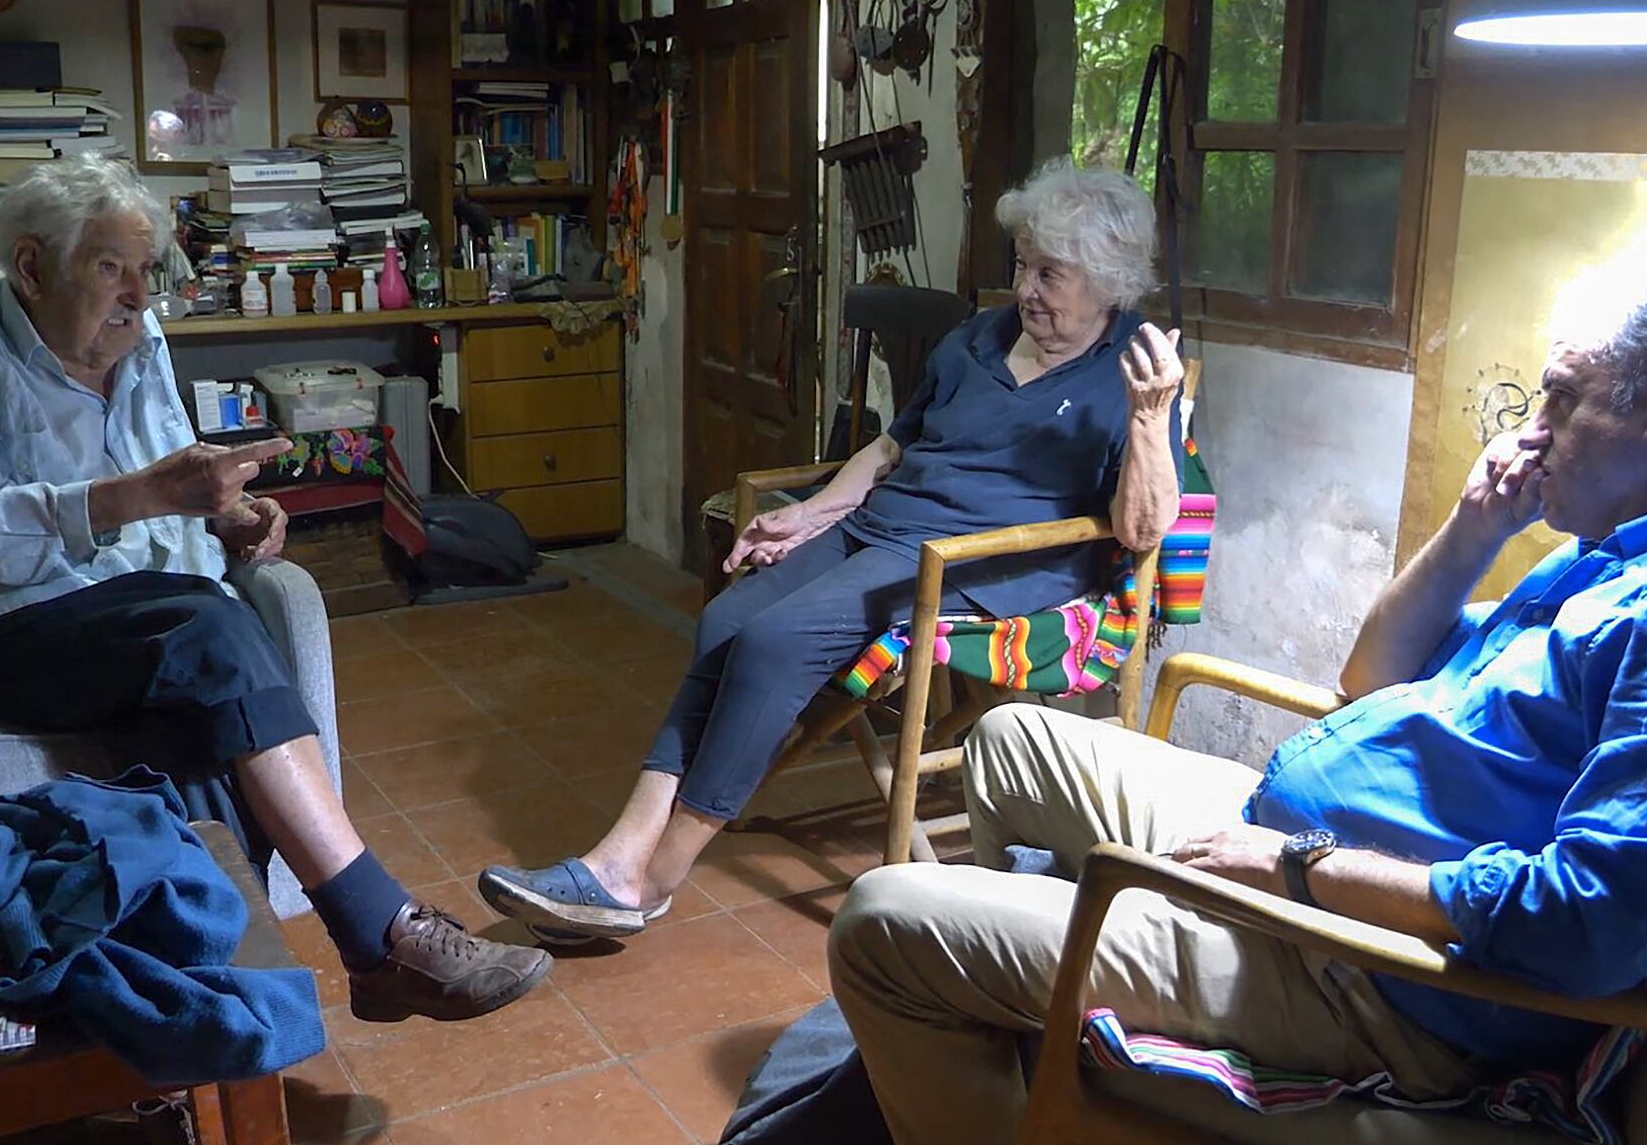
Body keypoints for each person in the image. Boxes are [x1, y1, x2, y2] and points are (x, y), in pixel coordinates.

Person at [826, 242, 1647, 1145]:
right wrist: (1474, 528)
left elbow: (1591, 921)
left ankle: (1002, 1037)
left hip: (1383, 981)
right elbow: (1371, 678)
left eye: (1560, 397)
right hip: (1319, 869)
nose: (1536, 430)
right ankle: (1030, 1091)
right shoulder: (1630, 551)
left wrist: (1296, 870)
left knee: (883, 924)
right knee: (1010, 742)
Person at [0, 156, 551, 1024]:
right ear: (32, 268)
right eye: (110, 267)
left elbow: (169, 489)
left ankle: (211, 1008)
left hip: (117, 620)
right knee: (210, 629)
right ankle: (379, 931)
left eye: (145, 269)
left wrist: (225, 517)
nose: (138, 295)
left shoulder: (140, 341)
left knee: (203, 728)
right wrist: (140, 496)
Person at [478, 160, 1186, 940]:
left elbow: (1141, 530)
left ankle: (648, 877)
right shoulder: (980, 337)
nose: (1025, 289)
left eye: (1049, 274)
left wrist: (1150, 418)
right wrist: (811, 515)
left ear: (1108, 282)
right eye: (1022, 265)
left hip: (973, 561)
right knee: (724, 622)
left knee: (774, 643)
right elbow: (891, 447)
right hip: (883, 528)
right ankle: (621, 852)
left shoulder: (1133, 372)